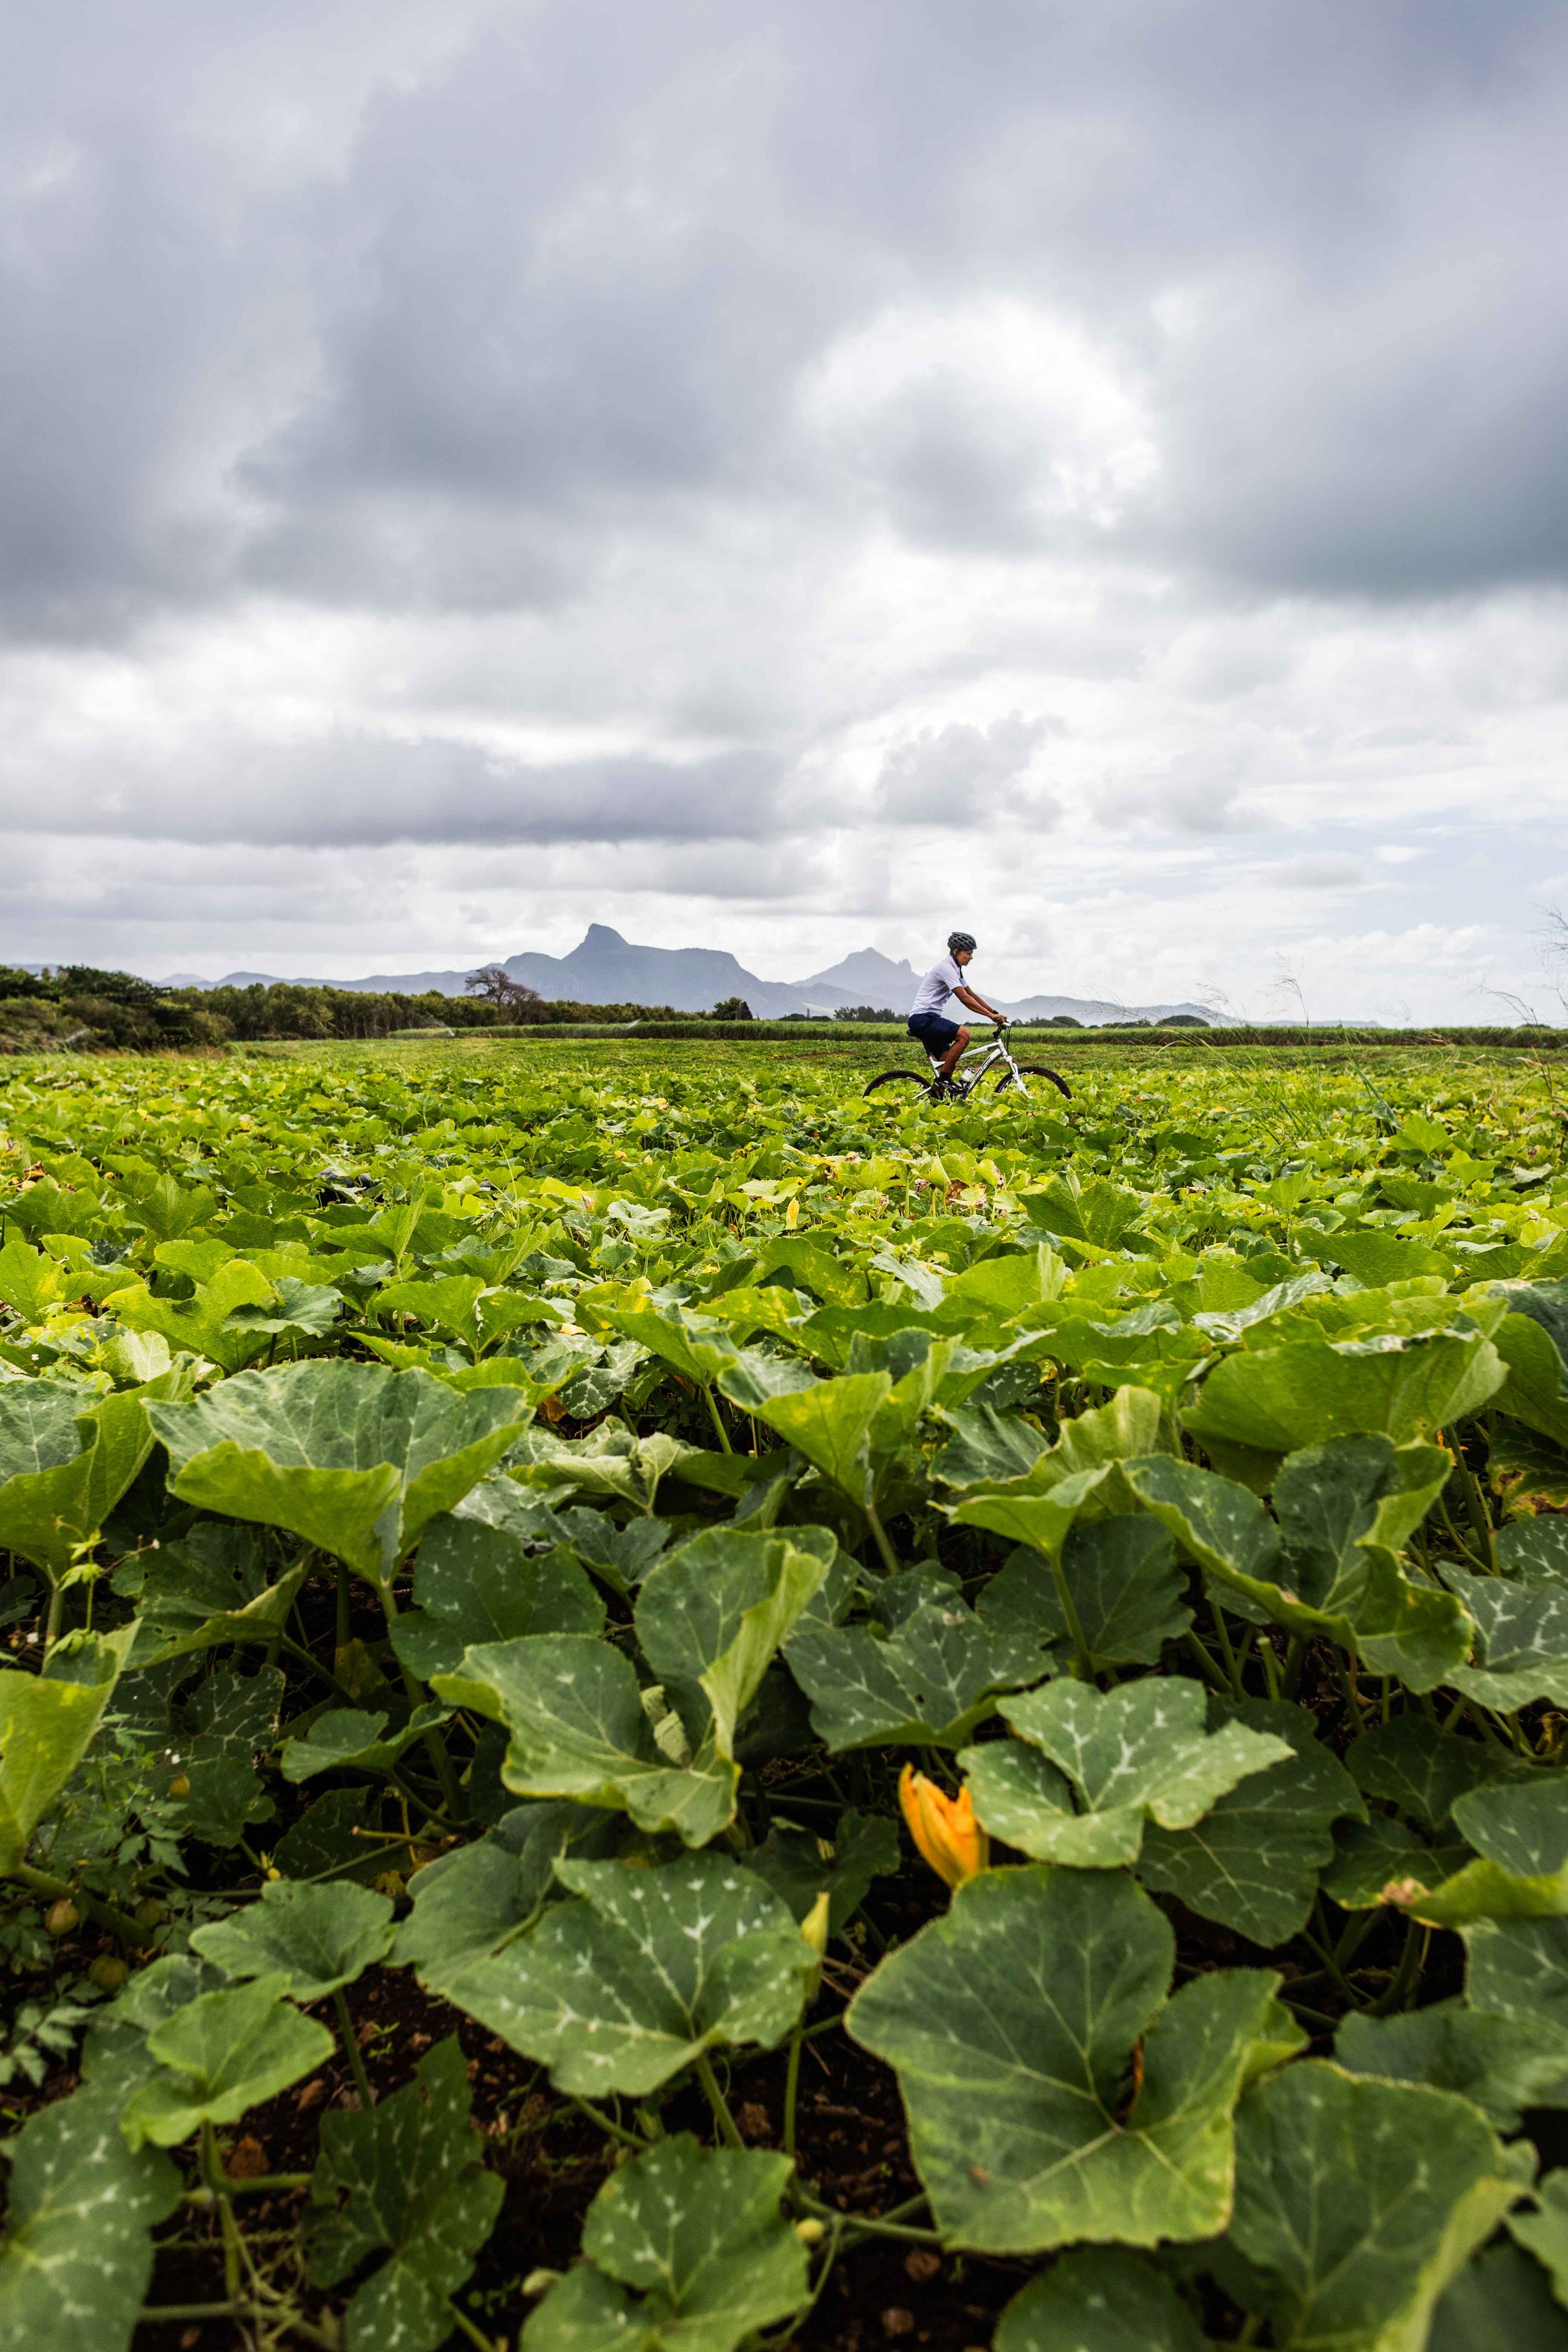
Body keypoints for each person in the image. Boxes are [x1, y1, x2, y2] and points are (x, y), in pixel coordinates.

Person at [906, 931, 1009, 1086]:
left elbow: (971, 994)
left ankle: (938, 1092)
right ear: (956, 952)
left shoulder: (956, 970)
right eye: (968, 953)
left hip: (929, 1018)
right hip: (923, 1018)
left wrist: (994, 1013)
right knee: (964, 1035)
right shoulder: (946, 968)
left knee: (948, 1059)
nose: (971, 957)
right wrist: (989, 1016)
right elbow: (964, 998)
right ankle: (944, 1081)